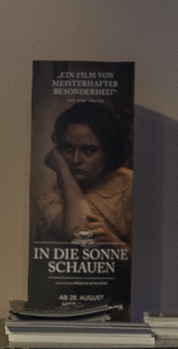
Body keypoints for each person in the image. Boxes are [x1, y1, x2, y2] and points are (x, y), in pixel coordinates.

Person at [37, 99, 133, 246]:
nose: (75, 160)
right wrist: (62, 168)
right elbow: (80, 232)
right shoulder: (51, 198)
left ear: (109, 150)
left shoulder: (131, 183)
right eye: (68, 149)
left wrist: (114, 242)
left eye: (88, 150)